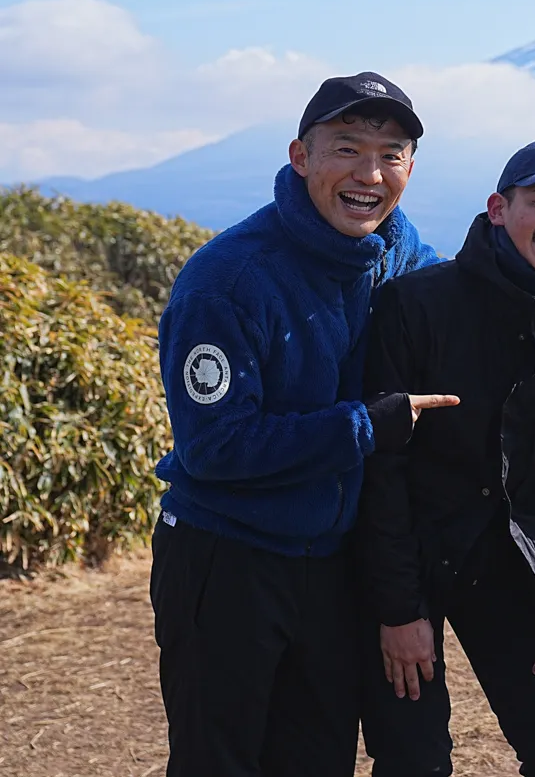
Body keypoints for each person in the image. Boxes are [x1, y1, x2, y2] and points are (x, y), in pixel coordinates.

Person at [149, 73, 455, 777]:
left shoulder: (395, 249)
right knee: (216, 762)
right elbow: (215, 446)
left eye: (391, 154)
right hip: (225, 556)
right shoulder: (226, 279)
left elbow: (464, 294)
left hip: (330, 567)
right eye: (346, 149)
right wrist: (365, 427)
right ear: (300, 156)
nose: (369, 174)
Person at [357, 139, 535, 777]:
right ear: (498, 209)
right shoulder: (417, 304)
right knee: (413, 759)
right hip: (410, 560)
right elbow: (383, 469)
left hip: (515, 561)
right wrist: (400, 609)